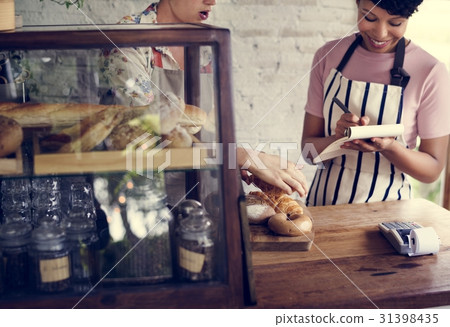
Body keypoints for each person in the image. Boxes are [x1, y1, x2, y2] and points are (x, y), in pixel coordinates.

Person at [99, 0, 308, 198]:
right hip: (144, 199)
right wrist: (241, 155)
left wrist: (236, 162)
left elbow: (212, 129)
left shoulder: (208, 41)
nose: (212, 1)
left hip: (203, 197)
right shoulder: (128, 39)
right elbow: (144, 134)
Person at [302, 0, 450, 206]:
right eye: (369, 17)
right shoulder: (328, 56)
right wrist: (338, 139)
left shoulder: (430, 71)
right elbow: (308, 154)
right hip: (323, 209)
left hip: (388, 219)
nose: (380, 34)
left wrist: (390, 147)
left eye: (395, 23)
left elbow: (432, 171)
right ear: (357, 4)